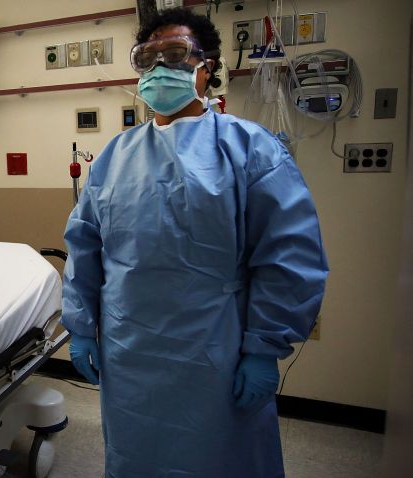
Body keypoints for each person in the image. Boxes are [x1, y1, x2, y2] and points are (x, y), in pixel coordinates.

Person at [61, 8, 328, 477]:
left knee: (220, 458)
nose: (160, 68)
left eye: (177, 54)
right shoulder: (114, 158)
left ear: (207, 68)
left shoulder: (250, 148)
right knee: (137, 455)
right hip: (132, 352)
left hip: (215, 352)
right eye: (149, 56)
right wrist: (81, 326)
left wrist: (264, 348)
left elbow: (288, 256)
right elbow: (85, 246)